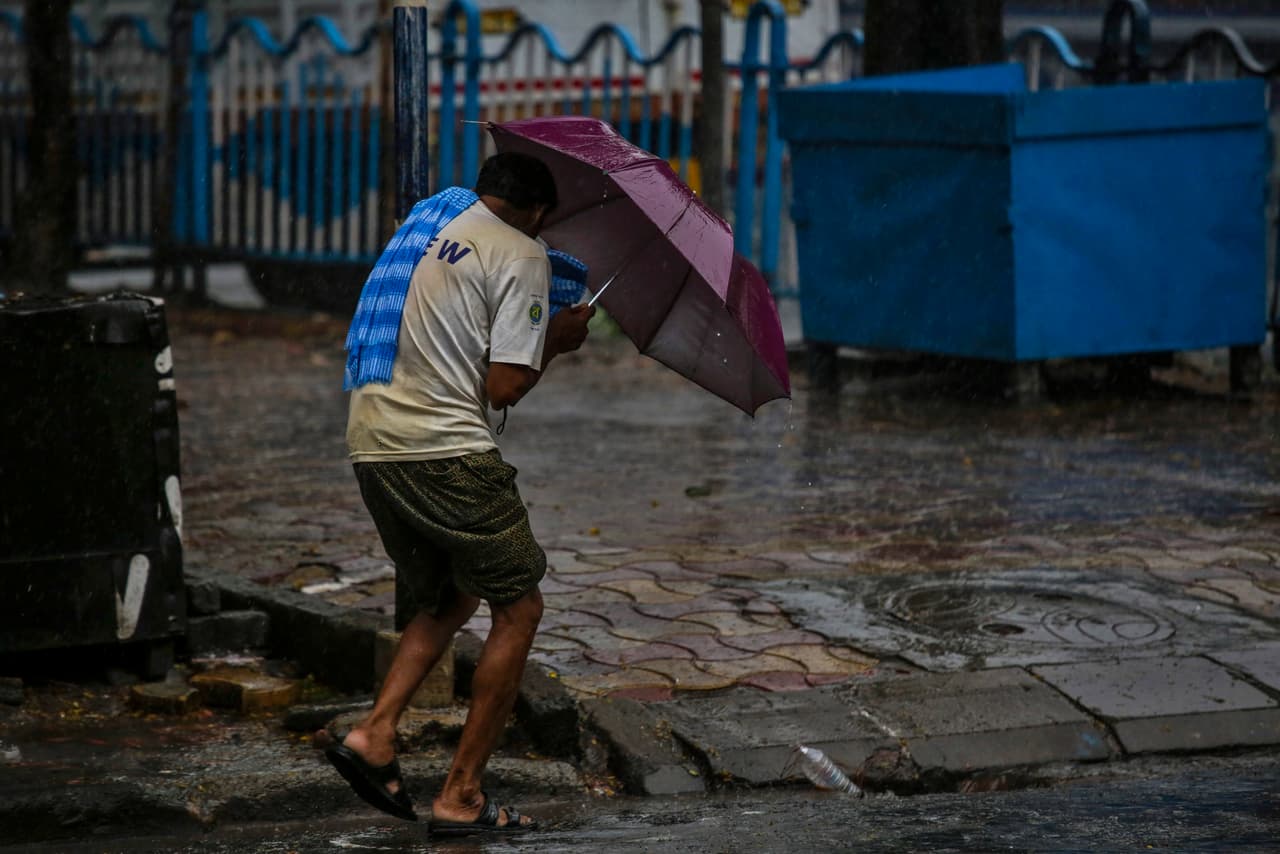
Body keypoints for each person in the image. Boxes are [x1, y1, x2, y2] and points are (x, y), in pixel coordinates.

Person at [328, 152, 595, 835]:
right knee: (522, 607)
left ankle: (375, 735)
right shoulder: (524, 253)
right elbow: (502, 387)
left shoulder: (428, 222)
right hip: (443, 451)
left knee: (454, 594)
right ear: (537, 212)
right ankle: (461, 796)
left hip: (371, 440)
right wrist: (555, 341)